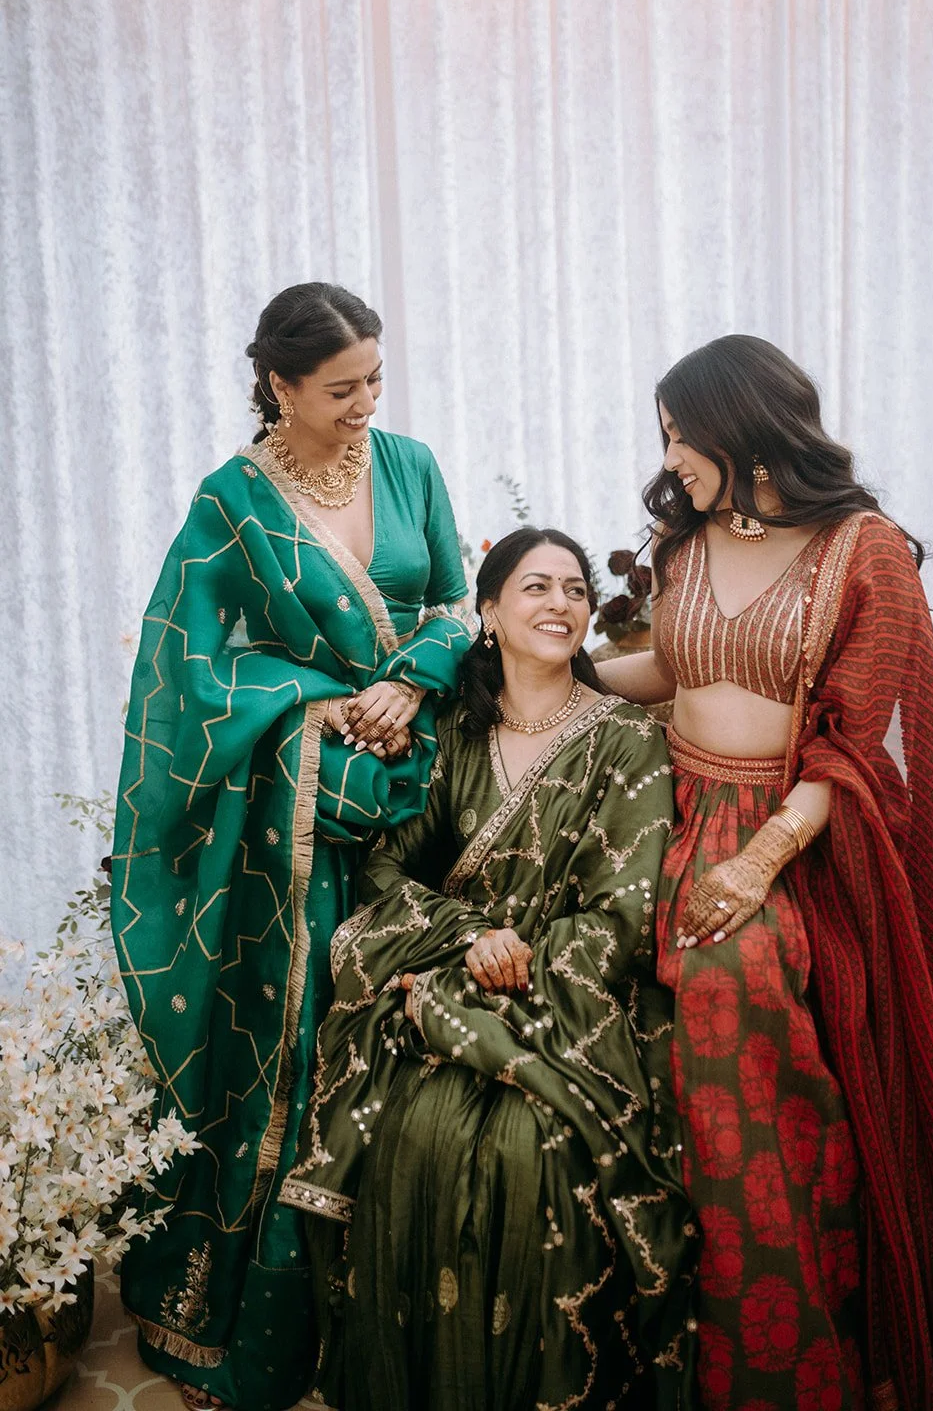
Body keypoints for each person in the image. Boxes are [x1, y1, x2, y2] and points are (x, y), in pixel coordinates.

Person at [598, 335, 933, 1410]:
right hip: (666, 812)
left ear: (744, 426)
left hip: (797, 836)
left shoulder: (862, 552)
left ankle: (780, 1357)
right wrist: (557, 671)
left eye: (681, 433)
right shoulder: (683, 543)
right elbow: (671, 667)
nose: (667, 456)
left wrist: (756, 862)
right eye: (663, 435)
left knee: (728, 983)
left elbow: (853, 749)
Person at [110, 282, 471, 1411]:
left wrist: (409, 684)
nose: (366, 402)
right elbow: (189, 674)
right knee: (300, 1041)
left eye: (375, 377)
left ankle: (408, 1318)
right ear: (277, 382)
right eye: (340, 387)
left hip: (420, 791)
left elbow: (458, 605)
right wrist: (316, 705)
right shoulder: (231, 502)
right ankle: (269, 1324)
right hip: (290, 826)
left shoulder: (408, 464)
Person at [280, 527, 698, 1411]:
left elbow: (622, 914)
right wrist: (466, 938)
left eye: (576, 590)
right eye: (536, 587)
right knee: (407, 1131)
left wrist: (519, 962)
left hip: (566, 1007)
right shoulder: (449, 733)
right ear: (486, 610)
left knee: (526, 1149)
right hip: (444, 980)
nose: (560, 604)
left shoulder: (623, 740)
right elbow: (387, 870)